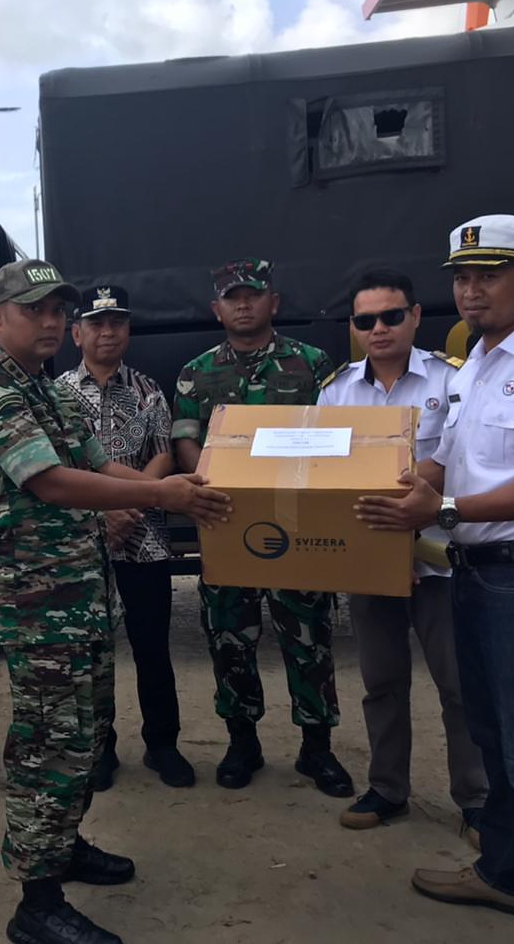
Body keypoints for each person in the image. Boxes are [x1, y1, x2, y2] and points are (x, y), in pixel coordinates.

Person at [0, 259, 231, 944]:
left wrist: (165, 485)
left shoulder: (48, 390)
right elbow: (51, 482)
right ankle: (36, 901)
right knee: (46, 744)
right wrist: (158, 494)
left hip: (78, 594)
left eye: (57, 310)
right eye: (33, 310)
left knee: (82, 734)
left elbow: (92, 461)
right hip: (37, 601)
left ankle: (65, 843)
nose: (50, 322)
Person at [357, 215, 514, 944]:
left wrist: (439, 506)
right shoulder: (476, 365)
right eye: (462, 278)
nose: (470, 291)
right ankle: (505, 875)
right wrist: (406, 484)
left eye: (488, 275)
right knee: (497, 746)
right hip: (474, 575)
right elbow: (449, 459)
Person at [171, 257, 353, 798]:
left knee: (310, 638)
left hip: (299, 524)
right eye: (232, 296)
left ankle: (316, 748)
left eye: (253, 294)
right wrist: (202, 481)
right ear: (216, 308)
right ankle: (242, 741)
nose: (243, 304)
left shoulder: (314, 365)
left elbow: (339, 434)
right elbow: (185, 438)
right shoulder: (196, 372)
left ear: (273, 302)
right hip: (227, 522)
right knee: (229, 635)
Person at [317, 269, 487, 837]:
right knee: (381, 682)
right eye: (366, 320)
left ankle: (478, 799)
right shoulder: (336, 391)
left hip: (439, 557)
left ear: (415, 316)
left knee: (460, 684)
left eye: (392, 316)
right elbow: (324, 479)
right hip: (369, 558)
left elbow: (455, 465)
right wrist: (378, 552)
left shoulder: (453, 380)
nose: (380, 329)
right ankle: (388, 788)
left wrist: (409, 538)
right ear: (354, 328)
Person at [56, 285, 190, 790]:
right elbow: (62, 468)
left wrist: (131, 503)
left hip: (146, 537)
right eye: (96, 323)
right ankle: (100, 749)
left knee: (153, 645)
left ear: (128, 331)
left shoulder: (149, 390)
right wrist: (108, 508)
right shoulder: (58, 394)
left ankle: (163, 745)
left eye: (116, 322)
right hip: (83, 540)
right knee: (92, 652)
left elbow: (163, 455)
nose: (107, 331)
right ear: (77, 334)